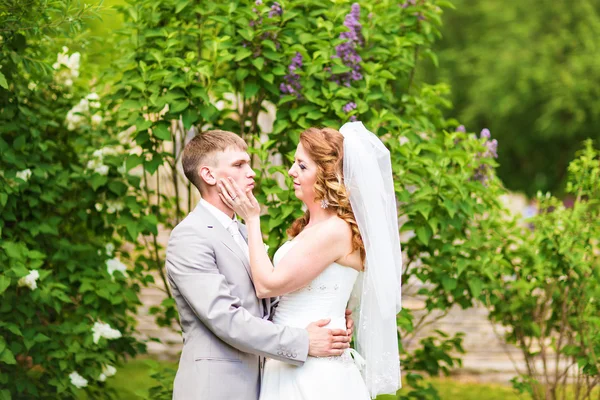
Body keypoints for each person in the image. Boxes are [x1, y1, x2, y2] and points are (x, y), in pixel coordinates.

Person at [218, 121, 403, 399]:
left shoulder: (334, 230)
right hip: (292, 357)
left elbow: (267, 285)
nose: (291, 171)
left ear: (327, 176)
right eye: (294, 163)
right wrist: (340, 315)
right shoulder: (312, 228)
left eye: (302, 166)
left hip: (313, 372)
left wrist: (252, 219)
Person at [165, 129, 354, 400]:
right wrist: (304, 340)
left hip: (267, 382)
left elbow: (267, 306)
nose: (251, 172)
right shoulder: (189, 236)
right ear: (209, 175)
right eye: (239, 165)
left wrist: (327, 314)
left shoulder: (243, 232)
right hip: (217, 389)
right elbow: (226, 319)